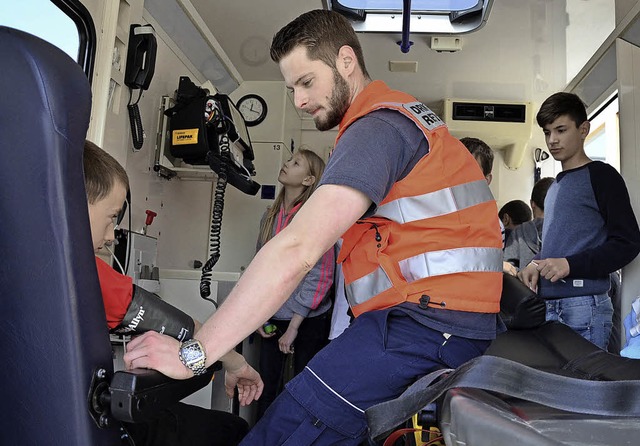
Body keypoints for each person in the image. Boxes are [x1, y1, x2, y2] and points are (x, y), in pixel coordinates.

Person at [123, 10, 503, 445]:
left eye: (306, 82)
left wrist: (196, 355)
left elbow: (298, 250)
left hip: (423, 326)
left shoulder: (376, 128)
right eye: (291, 89)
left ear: (346, 61)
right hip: (429, 323)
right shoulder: (398, 120)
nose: (299, 101)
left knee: (280, 433)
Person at [83, 140, 262, 445]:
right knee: (232, 430)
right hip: (91, 422)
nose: (112, 236)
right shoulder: (87, 276)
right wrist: (236, 363)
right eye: (112, 216)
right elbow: (184, 329)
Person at [518, 92, 640, 350]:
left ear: (583, 129)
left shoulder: (602, 176)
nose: (552, 140)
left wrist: (570, 265)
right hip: (549, 306)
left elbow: (628, 242)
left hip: (584, 306)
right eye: (547, 132)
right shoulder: (555, 187)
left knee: (584, 390)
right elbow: (561, 245)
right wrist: (535, 264)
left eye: (561, 130)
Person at [255, 148, 334, 420]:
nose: (287, 164)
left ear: (309, 180)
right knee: (264, 385)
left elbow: (320, 275)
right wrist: (259, 316)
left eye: (296, 163)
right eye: (289, 160)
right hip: (273, 316)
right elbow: (260, 270)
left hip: (308, 318)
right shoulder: (270, 216)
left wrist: (294, 327)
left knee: (303, 388)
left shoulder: (314, 219)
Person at [460, 136, 517, 276]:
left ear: (486, 180)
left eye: (470, 172)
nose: (460, 178)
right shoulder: (431, 213)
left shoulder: (495, 226)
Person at [504, 177, 554, 270]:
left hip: (525, 284)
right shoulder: (566, 232)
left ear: (532, 204)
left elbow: (508, 270)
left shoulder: (518, 233)